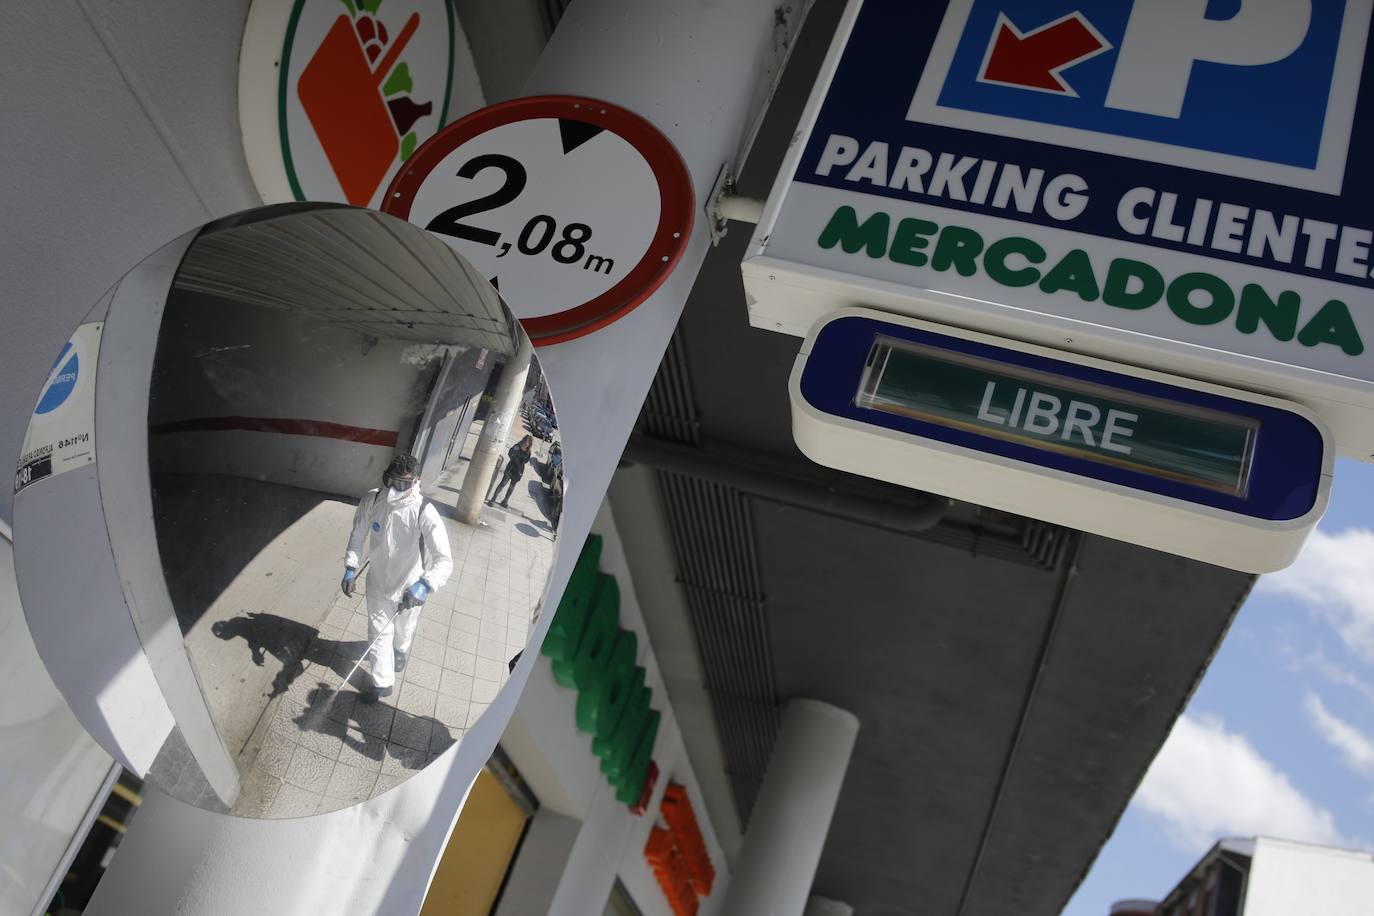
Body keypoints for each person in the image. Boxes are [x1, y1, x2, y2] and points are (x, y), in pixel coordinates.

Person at [341, 454, 453, 703]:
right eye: (389, 481)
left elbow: (444, 560)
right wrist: (351, 566)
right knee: (378, 632)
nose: (393, 489)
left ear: (416, 482)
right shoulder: (373, 500)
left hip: (409, 586)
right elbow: (358, 534)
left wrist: (425, 584)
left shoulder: (424, 511)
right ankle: (382, 682)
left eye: (401, 484)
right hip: (378, 581)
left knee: (404, 629)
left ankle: (400, 650)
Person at [489, 434, 533, 508]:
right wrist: (514, 459)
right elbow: (510, 453)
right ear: (523, 440)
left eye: (528, 442)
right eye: (526, 441)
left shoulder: (528, 452)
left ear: (529, 444)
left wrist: (520, 463)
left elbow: (526, 461)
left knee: (512, 486)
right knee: (503, 483)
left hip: (519, 470)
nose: (526, 443)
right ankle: (493, 499)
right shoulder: (517, 446)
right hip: (511, 468)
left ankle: (505, 501)